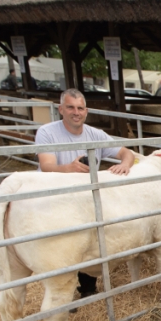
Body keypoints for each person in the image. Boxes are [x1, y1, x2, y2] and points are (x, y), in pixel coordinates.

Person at [34, 88, 136, 298]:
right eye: (70, 107)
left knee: (90, 239)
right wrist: (68, 169)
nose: (76, 112)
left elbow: (126, 152)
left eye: (80, 108)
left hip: (82, 200)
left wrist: (125, 165)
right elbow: (46, 165)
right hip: (55, 197)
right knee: (62, 248)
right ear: (61, 109)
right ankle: (63, 293)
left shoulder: (94, 134)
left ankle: (88, 287)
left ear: (86, 111)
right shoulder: (47, 132)